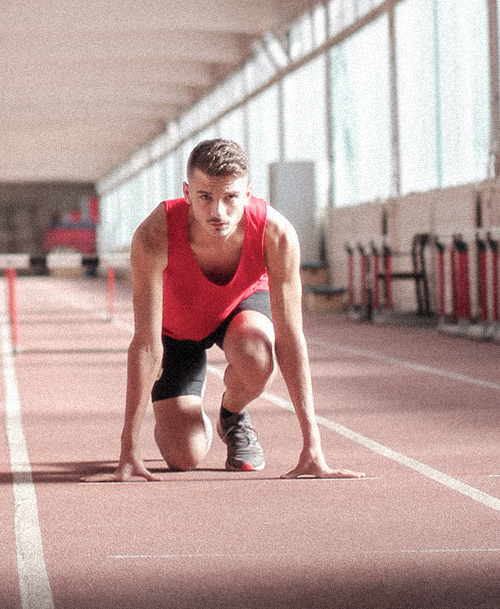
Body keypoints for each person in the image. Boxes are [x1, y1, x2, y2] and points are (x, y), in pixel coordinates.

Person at [87, 139, 363, 482]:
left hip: (240, 310)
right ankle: (188, 416)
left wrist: (313, 447)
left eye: (230, 197)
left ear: (247, 194)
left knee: (257, 355)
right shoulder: (155, 234)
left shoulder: (276, 235)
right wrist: (128, 449)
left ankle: (232, 415)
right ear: (187, 193)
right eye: (205, 197)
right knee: (183, 457)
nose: (218, 212)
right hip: (178, 331)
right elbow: (146, 344)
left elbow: (291, 339)